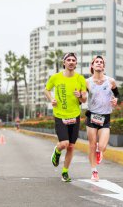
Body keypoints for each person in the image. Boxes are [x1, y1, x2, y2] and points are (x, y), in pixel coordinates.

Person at [44, 52, 87, 182]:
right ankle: (57, 152)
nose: (71, 62)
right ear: (64, 63)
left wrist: (79, 95)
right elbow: (46, 90)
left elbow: (84, 99)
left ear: (76, 63)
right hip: (60, 115)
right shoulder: (56, 77)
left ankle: (65, 172)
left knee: (71, 146)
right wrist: (51, 99)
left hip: (74, 115)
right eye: (68, 60)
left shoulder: (80, 79)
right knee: (64, 143)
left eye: (73, 60)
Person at [85, 55, 118, 182]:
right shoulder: (87, 82)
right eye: (96, 62)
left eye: (101, 62)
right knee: (92, 146)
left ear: (104, 66)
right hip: (92, 115)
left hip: (105, 117)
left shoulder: (111, 81)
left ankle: (100, 149)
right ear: (92, 66)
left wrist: (116, 100)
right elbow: (83, 96)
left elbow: (116, 93)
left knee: (102, 146)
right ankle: (94, 172)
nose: (99, 63)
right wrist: (79, 96)